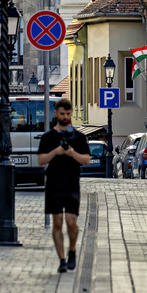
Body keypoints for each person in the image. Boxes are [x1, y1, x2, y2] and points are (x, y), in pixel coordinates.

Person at [37, 98, 91, 273]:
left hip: (72, 183)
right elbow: (40, 160)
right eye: (62, 114)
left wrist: (72, 153)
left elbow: (87, 160)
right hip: (53, 183)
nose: (65, 117)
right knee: (58, 222)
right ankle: (61, 259)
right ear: (56, 114)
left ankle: (72, 250)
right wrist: (57, 152)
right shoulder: (48, 137)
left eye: (68, 114)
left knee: (71, 221)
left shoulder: (79, 137)